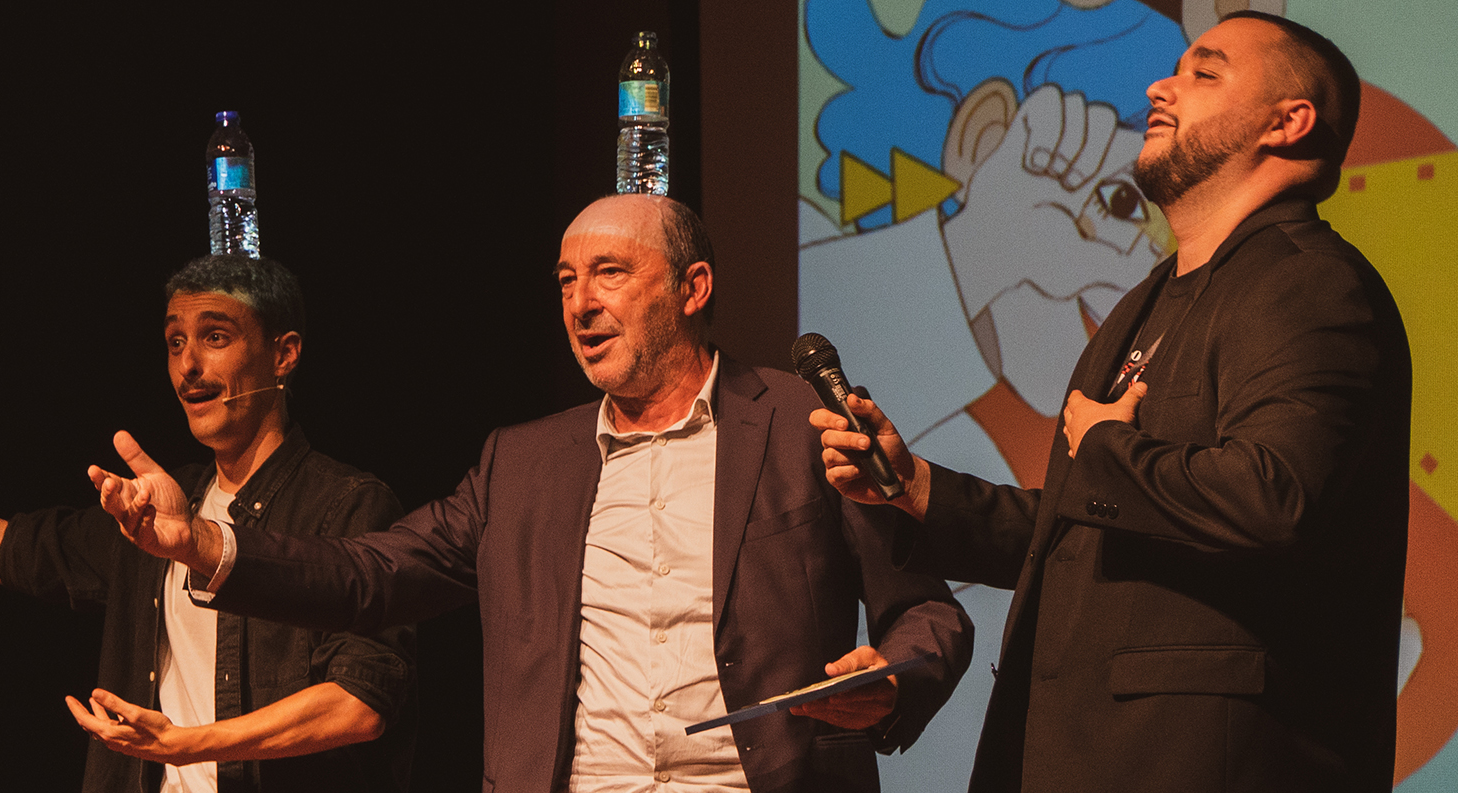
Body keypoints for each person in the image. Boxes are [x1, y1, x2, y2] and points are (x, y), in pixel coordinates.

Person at [96, 194, 972, 792]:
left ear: (693, 288)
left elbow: (928, 612)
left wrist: (892, 682)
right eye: (564, 281)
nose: (580, 303)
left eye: (609, 273)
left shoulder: (798, 422)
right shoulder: (523, 463)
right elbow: (370, 574)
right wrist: (201, 543)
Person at [810, 12, 1409, 792]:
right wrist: (918, 489)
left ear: (1287, 123)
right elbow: (1082, 532)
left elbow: (1274, 498)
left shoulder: (1309, 281)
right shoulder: (1146, 301)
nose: (1161, 87)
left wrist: (1106, 449)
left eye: (1205, 73)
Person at [0, 255, 414, 793]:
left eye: (215, 336)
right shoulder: (156, 506)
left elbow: (360, 702)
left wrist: (189, 744)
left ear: (284, 354)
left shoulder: (347, 506)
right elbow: (11, 549)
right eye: (175, 341)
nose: (188, 365)